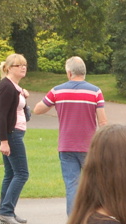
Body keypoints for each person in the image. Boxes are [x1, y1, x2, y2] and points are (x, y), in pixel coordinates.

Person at [32, 56, 108, 214]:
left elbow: (38, 110)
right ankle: (95, 217)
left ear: (69, 73)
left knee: (72, 185)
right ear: (84, 72)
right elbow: (102, 121)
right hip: (89, 146)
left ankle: (73, 222)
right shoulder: (95, 91)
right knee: (95, 184)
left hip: (66, 145)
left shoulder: (57, 91)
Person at [0, 54, 32, 224]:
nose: (23, 68)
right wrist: (4, 141)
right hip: (10, 134)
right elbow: (1, 116)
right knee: (22, 173)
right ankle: (6, 211)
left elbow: (16, 110)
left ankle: (6, 210)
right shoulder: (7, 87)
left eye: (24, 65)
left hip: (13, 133)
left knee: (10, 174)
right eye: (18, 65)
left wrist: (23, 96)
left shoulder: (14, 87)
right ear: (9, 68)